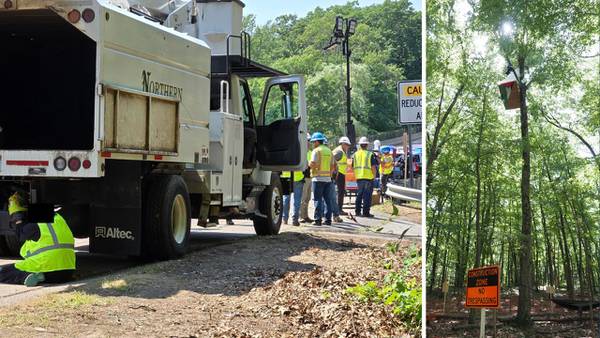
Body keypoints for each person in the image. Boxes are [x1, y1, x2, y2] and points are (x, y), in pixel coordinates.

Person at [0, 192, 76, 287]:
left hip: (47, 268)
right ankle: (40, 277)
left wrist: (16, 213)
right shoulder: (60, 219)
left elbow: (20, 232)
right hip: (67, 272)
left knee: (3, 272)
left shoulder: (37, 225)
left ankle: (26, 276)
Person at [308, 132, 336, 226]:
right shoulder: (329, 151)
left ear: (316, 141)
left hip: (317, 179)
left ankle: (318, 220)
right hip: (328, 179)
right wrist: (329, 175)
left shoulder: (316, 151)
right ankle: (328, 220)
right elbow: (333, 166)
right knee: (328, 200)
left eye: (313, 142)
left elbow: (312, 164)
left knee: (318, 200)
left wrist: (308, 165)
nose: (312, 144)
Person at [351, 137, 377, 218]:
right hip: (368, 178)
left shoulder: (355, 154)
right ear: (367, 145)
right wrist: (374, 176)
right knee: (367, 196)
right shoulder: (370, 154)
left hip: (359, 177)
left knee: (359, 195)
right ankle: (366, 213)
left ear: (360, 145)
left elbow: (352, 166)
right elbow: (373, 167)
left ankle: (357, 212)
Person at [333, 136, 351, 216]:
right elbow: (332, 161)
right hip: (338, 173)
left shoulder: (342, 151)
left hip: (341, 173)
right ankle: (339, 209)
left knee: (341, 192)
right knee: (340, 192)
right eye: (347, 144)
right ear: (343, 144)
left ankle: (339, 209)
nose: (348, 146)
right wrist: (335, 172)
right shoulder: (339, 151)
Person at [300, 133, 313, 223]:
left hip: (310, 177)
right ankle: (301, 216)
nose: (309, 143)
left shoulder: (311, 152)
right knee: (303, 198)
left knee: (308, 198)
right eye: (307, 141)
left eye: (309, 141)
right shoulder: (301, 152)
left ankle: (306, 216)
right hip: (303, 178)